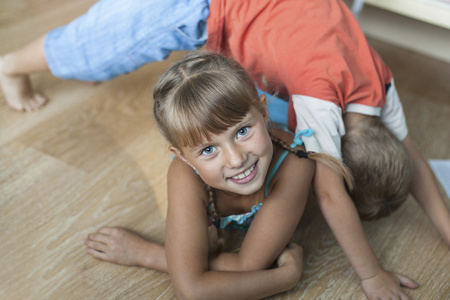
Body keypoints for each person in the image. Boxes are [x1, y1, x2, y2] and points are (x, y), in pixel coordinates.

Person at [4, 0, 449, 298]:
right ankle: (11, 65)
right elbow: (331, 192)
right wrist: (368, 275)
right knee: (102, 43)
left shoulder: (380, 83)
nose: (235, 159)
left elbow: (413, 160)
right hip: (203, 5)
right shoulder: (317, 101)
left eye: (238, 135)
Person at [85, 51, 355, 299]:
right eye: (209, 149)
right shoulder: (184, 173)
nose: (236, 159)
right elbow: (191, 289)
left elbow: (246, 265)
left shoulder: (296, 165)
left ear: (263, 113)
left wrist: (159, 257)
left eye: (242, 132)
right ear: (182, 156)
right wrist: (283, 278)